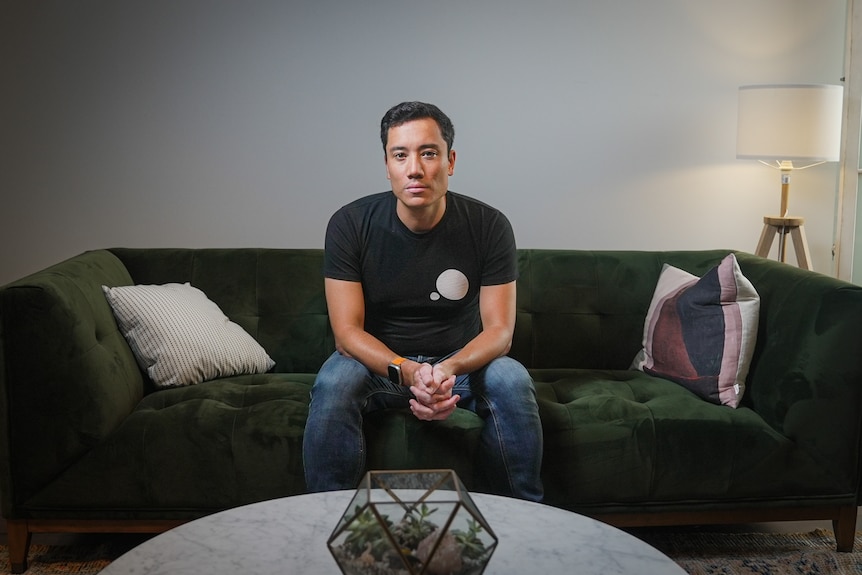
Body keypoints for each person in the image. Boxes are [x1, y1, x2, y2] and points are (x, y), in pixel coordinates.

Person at [302, 101, 543, 501]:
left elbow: (500, 332)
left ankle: (521, 517)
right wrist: (409, 371)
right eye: (401, 155)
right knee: (334, 381)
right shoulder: (350, 223)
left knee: (511, 377)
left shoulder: (489, 225)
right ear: (387, 164)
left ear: (449, 161)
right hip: (379, 366)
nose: (414, 168)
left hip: (459, 365)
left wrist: (446, 368)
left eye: (428, 153)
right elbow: (347, 334)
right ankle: (327, 518)